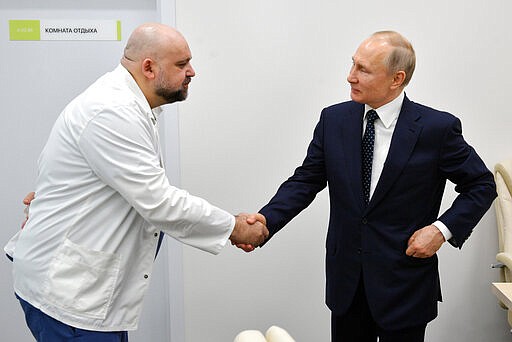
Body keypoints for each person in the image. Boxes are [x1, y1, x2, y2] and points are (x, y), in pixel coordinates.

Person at [5, 23, 268, 342]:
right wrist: (235, 227)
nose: (192, 72)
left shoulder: (130, 106)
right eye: (182, 64)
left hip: (86, 294)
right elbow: (159, 202)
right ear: (149, 67)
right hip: (71, 301)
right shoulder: (112, 111)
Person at [241, 31, 497, 341]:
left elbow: (481, 184)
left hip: (404, 286)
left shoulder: (437, 129)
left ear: (396, 78)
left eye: (363, 69)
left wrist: (441, 230)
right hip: (346, 285)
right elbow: (305, 181)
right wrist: (266, 220)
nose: (350, 77)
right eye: (353, 65)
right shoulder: (333, 120)